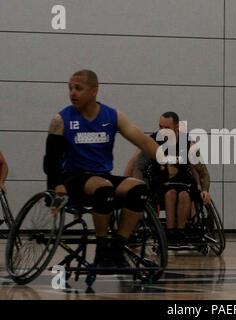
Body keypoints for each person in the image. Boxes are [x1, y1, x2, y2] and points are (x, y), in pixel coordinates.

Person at [43, 69, 162, 268]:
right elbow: (51, 160)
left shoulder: (112, 116)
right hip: (73, 178)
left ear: (94, 91)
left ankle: (118, 247)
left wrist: (165, 159)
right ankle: (102, 249)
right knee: (104, 188)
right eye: (70, 88)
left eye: (78, 89)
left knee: (138, 189)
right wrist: (57, 187)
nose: (72, 93)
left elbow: (142, 139)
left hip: (102, 176)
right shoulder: (60, 120)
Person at [124, 111, 211, 242]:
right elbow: (138, 167)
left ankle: (180, 231)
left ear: (176, 127)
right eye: (160, 127)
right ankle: (169, 232)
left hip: (183, 183)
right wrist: (141, 186)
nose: (162, 131)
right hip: (160, 184)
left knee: (184, 195)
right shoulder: (152, 141)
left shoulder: (188, 143)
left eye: (167, 128)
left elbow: (203, 171)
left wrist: (205, 190)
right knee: (170, 193)